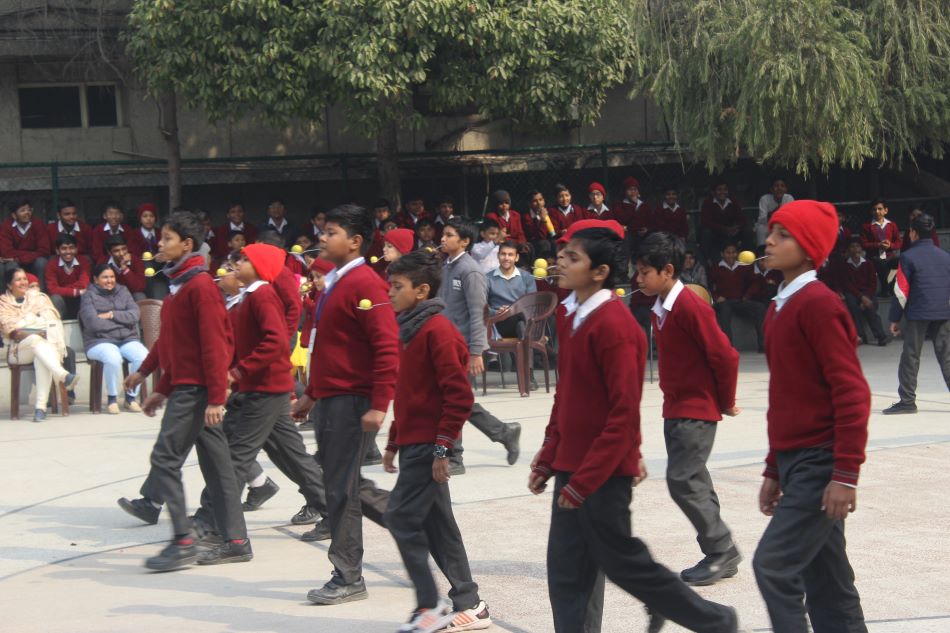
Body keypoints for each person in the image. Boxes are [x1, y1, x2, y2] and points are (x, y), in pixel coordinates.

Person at [528, 222, 738, 633]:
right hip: (573, 466)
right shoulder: (572, 315)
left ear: (600, 272)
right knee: (567, 572)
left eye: (572, 257)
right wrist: (549, 455)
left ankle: (714, 620)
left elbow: (623, 416)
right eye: (562, 254)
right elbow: (565, 396)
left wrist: (584, 482)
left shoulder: (616, 326)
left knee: (625, 564)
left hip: (603, 474)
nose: (560, 262)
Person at [753, 200, 870, 633]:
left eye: (783, 235)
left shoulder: (819, 304)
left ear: (809, 250)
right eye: (772, 232)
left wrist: (845, 475)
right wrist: (774, 467)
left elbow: (852, 392)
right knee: (827, 581)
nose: (769, 241)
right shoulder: (779, 306)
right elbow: (785, 397)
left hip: (820, 463)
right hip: (795, 461)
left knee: (773, 565)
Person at [124, 210, 249, 571]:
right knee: (219, 467)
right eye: (160, 237)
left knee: (165, 459)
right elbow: (173, 345)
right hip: (187, 386)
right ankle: (237, 540)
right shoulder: (179, 286)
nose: (160, 244)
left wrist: (216, 397)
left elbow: (215, 346)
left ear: (187, 244)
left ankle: (182, 541)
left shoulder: (200, 287)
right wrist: (156, 383)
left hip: (196, 392)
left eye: (167, 238)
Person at [290, 204, 395, 604]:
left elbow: (386, 346)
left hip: (351, 400)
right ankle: (411, 520)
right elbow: (330, 348)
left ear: (355, 242)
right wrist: (312, 393)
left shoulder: (365, 284)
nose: (322, 237)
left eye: (331, 232)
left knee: (341, 490)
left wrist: (379, 403)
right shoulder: (336, 282)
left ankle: (348, 575)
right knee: (342, 485)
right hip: (331, 399)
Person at [383, 250, 492, 632]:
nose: (390, 292)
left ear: (422, 290)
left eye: (398, 286)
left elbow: (458, 396)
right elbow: (410, 393)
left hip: (430, 447)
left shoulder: (438, 331)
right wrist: (394, 441)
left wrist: (443, 448)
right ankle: (471, 604)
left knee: (399, 517)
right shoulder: (410, 330)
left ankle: (428, 606)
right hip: (415, 443)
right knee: (439, 527)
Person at [635, 232, 742, 587]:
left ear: (667, 271)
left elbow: (725, 355)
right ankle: (721, 552)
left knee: (682, 480)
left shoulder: (690, 306)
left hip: (696, 409)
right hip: (676, 407)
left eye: (644, 272)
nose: (638, 279)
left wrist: (726, 401)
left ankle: (721, 549)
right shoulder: (661, 307)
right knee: (694, 479)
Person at [439, 218, 522, 475]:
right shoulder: (446, 266)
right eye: (443, 234)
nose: (442, 239)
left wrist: (476, 352)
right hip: (445, 344)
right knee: (454, 400)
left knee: (453, 402)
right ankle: (504, 432)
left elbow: (478, 313)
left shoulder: (470, 271)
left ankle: (455, 458)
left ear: (464, 241)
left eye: (449, 235)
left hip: (463, 347)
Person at [883, 212, 950, 415]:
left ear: (913, 233)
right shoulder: (945, 256)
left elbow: (901, 291)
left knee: (911, 356)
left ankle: (907, 401)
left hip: (918, 313)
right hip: (942, 312)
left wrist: (894, 319)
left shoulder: (908, 257)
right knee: (946, 357)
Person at [0, 268, 79, 422]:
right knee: (37, 340)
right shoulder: (3, 303)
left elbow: (51, 321)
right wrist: (33, 320)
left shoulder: (38, 298)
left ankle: (40, 408)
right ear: (9, 285)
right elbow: (12, 330)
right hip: (18, 351)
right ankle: (62, 375)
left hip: (42, 346)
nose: (23, 282)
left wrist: (24, 323)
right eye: (18, 279)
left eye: (24, 279)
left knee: (40, 355)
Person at [79, 263, 149, 414]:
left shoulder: (123, 291)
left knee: (144, 357)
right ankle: (112, 398)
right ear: (95, 279)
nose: (109, 280)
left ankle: (130, 397)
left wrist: (112, 315)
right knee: (113, 358)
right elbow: (93, 323)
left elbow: (135, 315)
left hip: (126, 339)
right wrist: (122, 323)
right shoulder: (88, 296)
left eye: (112, 277)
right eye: (105, 277)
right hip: (98, 342)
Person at [710, 243, 765, 352]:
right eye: (728, 253)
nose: (731, 255)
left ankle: (763, 345)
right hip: (724, 302)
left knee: (760, 307)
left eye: (734, 252)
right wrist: (716, 297)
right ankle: (727, 348)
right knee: (725, 311)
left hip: (740, 301)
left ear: (737, 253)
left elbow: (756, 282)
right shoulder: (716, 268)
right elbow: (709, 285)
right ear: (722, 254)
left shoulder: (744, 266)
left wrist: (747, 295)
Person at [842, 238, 888, 347]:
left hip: (867, 292)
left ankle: (881, 336)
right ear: (848, 250)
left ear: (861, 249)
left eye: (857, 246)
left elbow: (872, 284)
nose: (855, 249)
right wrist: (861, 297)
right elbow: (847, 285)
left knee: (870, 306)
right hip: (854, 293)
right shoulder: (845, 265)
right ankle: (860, 335)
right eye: (852, 246)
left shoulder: (868, 264)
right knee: (852, 305)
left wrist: (866, 297)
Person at [0, 199, 51, 290]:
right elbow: (6, 252)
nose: (27, 213)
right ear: (14, 215)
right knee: (11, 265)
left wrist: (19, 258)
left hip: (33, 261)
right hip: (15, 262)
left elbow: (44, 250)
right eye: (22, 210)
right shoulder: (6, 226)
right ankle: (13, 295)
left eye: (29, 210)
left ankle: (41, 293)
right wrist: (29, 254)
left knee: (41, 262)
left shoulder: (38, 224)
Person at [859, 198, 902, 296]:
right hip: (874, 257)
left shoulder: (891, 225)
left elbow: (899, 242)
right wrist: (878, 245)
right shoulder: (866, 226)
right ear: (871, 211)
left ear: (885, 210)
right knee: (880, 263)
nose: (877, 211)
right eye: (874, 209)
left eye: (880, 209)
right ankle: (885, 289)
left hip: (890, 256)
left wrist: (890, 245)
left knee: (904, 262)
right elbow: (863, 244)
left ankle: (891, 285)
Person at [700, 182, 751, 263]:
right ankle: (707, 261)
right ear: (713, 192)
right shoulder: (708, 202)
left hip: (731, 232)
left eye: (725, 189)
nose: (722, 192)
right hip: (716, 233)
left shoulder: (732, 201)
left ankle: (746, 258)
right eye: (719, 190)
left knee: (746, 231)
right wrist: (723, 229)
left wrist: (737, 228)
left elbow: (743, 219)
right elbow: (705, 222)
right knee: (706, 233)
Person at [45, 234, 90, 319]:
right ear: (57, 251)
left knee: (87, 294)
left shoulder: (83, 261)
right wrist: (75, 292)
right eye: (64, 248)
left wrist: (60, 289)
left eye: (71, 248)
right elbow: (52, 289)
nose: (68, 252)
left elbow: (84, 284)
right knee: (55, 298)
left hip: (78, 299)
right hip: (63, 300)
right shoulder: (52, 264)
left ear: (76, 249)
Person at [104, 235, 147, 301]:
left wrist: (125, 269)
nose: (121, 253)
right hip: (112, 295)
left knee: (139, 296)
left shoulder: (136, 261)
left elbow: (139, 287)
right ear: (109, 253)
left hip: (131, 294)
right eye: (116, 251)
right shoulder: (104, 263)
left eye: (124, 249)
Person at [755, 178, 794, 245]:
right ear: (771, 189)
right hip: (767, 226)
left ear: (785, 189)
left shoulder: (789, 198)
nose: (779, 188)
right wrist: (777, 212)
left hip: (783, 225)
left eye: (782, 186)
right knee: (760, 228)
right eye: (776, 186)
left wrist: (773, 214)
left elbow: (791, 217)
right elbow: (762, 219)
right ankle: (761, 249)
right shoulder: (764, 199)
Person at [612, 176, 651, 243]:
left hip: (643, 236)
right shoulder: (618, 206)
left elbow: (650, 221)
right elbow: (622, 220)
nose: (633, 192)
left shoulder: (644, 206)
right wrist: (633, 205)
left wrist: (647, 229)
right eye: (629, 189)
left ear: (638, 191)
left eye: (635, 189)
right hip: (627, 236)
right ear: (625, 191)